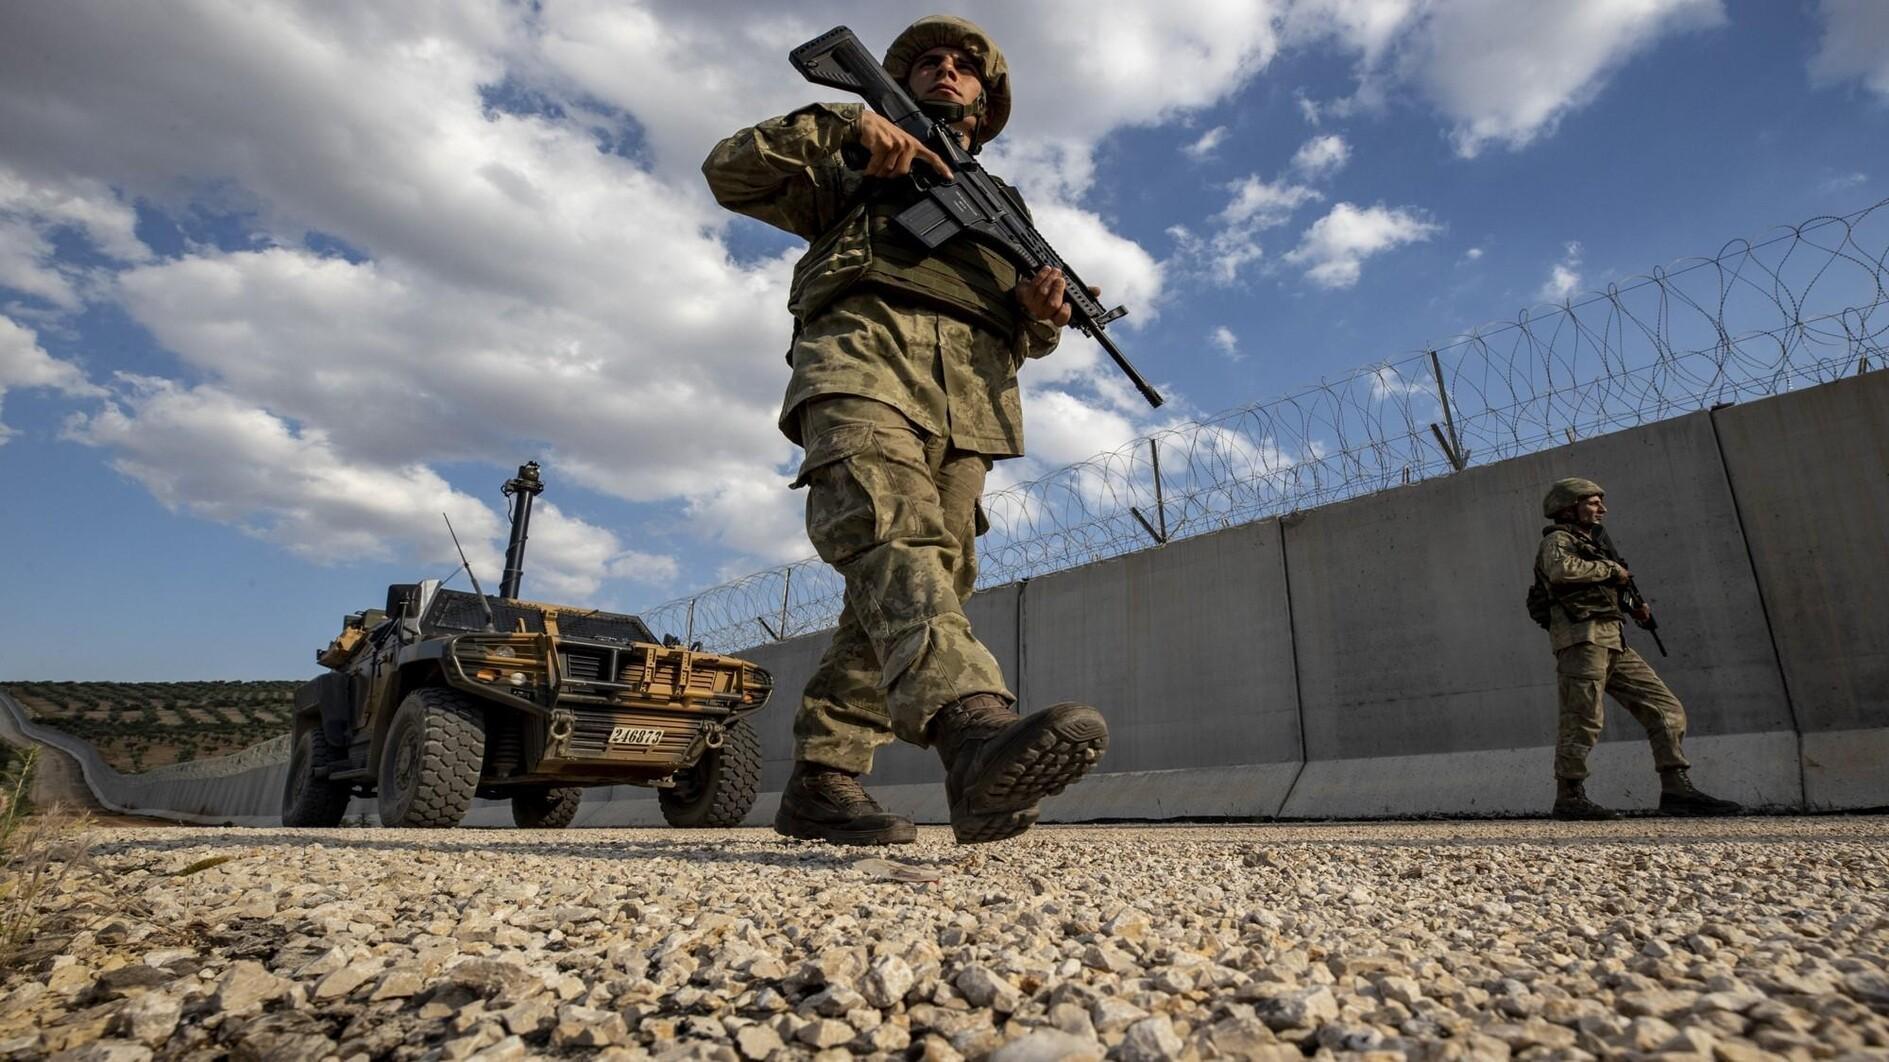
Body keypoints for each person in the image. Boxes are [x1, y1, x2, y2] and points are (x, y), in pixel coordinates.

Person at [703, 16, 1109, 845]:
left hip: (971, 397)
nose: (946, 70)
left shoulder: (1007, 208)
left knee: (924, 577)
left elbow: (1019, 335)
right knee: (891, 536)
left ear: (987, 97)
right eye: (928, 61)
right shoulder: (848, 152)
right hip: (862, 357)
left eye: (966, 66)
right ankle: (973, 727)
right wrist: (848, 129)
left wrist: (1043, 316)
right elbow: (729, 171)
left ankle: (823, 779)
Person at [1534, 477, 1741, 820]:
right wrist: (1613, 570)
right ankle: (1569, 795)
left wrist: (1634, 604)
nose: (1602, 508)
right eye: (1593, 502)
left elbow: (1609, 585)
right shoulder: (1558, 540)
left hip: (1614, 640)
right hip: (1582, 639)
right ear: (1569, 508)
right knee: (1583, 717)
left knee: (1665, 709)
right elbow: (1560, 571)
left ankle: (1676, 787)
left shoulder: (1596, 544)